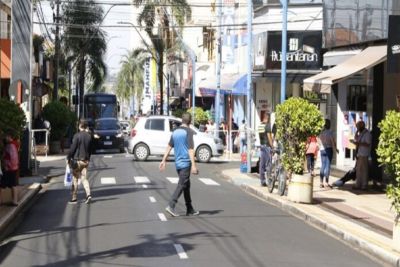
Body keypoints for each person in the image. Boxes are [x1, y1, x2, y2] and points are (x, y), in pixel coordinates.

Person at [160, 112, 199, 217]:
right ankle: (171, 205)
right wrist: (194, 166)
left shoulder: (175, 131)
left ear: (182, 121)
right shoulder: (189, 132)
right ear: (190, 122)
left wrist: (164, 160)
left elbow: (169, 146)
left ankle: (189, 208)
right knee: (182, 185)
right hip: (186, 163)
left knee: (186, 185)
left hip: (177, 163)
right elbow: (191, 150)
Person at [67, 120, 93, 204]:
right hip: (85, 161)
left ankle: (74, 198)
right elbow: (90, 150)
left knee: (75, 178)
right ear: (85, 126)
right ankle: (88, 195)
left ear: (79, 126)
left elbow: (72, 148)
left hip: (77, 161)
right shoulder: (89, 136)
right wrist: (88, 159)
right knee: (84, 179)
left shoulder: (77, 136)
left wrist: (68, 157)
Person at [0, 131, 19, 206]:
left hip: (10, 168)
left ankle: (14, 201)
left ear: (9, 136)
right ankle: (14, 200)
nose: (5, 138)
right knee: (12, 184)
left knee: (11, 185)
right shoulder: (13, 144)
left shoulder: (11, 145)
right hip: (12, 167)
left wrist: (8, 166)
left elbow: (13, 158)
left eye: (6, 136)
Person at [318, 119, 338, 188]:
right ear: (329, 124)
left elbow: (319, 141)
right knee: (327, 166)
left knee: (323, 165)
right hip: (329, 149)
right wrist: (335, 149)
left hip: (322, 150)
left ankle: (321, 182)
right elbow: (332, 141)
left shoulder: (321, 132)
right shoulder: (330, 132)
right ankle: (326, 182)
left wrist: (320, 147)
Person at [352, 120, 371, 190]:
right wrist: (356, 133)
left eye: (358, 126)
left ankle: (364, 185)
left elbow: (368, 144)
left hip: (364, 154)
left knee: (364, 170)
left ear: (362, 125)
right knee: (358, 170)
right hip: (359, 154)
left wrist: (358, 144)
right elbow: (356, 139)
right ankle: (358, 184)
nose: (357, 128)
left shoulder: (367, 134)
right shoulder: (361, 133)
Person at [258, 114, 273, 187]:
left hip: (262, 146)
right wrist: (272, 146)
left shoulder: (260, 126)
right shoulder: (267, 126)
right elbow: (269, 137)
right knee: (269, 164)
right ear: (268, 118)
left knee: (262, 164)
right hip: (267, 146)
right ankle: (269, 180)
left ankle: (262, 180)